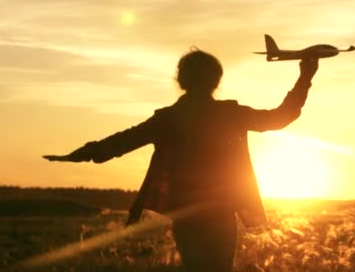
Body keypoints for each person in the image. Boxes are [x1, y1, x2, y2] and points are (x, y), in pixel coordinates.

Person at [44, 49, 319, 271]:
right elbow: (281, 116)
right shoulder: (230, 114)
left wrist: (78, 154)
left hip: (186, 213)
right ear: (216, 80)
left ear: (181, 80)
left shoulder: (167, 119)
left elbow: (120, 142)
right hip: (221, 211)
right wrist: (305, 76)